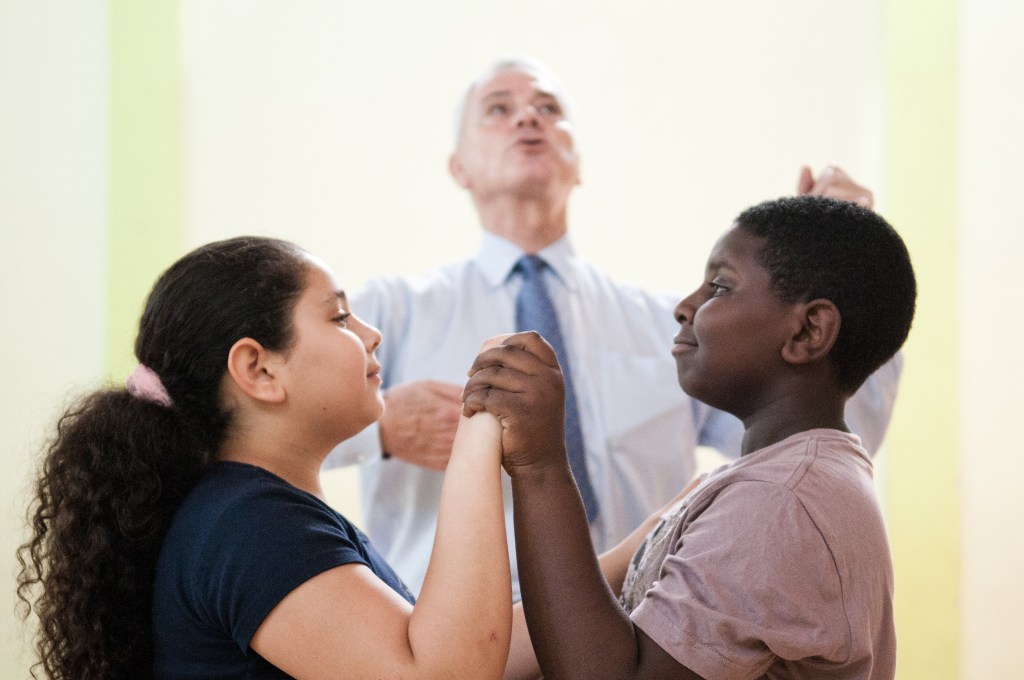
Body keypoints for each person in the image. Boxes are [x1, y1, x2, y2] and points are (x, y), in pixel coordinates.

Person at [324, 56, 903, 599]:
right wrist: (380, 428)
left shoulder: (677, 326)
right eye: (499, 108)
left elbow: (824, 433)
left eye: (550, 108)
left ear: (579, 163)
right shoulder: (387, 314)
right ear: (459, 167)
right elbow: (254, 432)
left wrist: (851, 278)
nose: (529, 116)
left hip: (641, 637)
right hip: (454, 648)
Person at [15, 236, 512, 679]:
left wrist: (592, 576)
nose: (371, 334)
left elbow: (465, 650)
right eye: (339, 317)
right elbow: (446, 671)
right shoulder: (254, 526)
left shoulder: (252, 514)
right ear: (259, 370)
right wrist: (478, 429)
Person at [467, 195, 916, 679]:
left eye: (720, 287)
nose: (685, 307)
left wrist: (542, 467)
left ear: (808, 332)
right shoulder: (786, 481)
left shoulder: (777, 501)